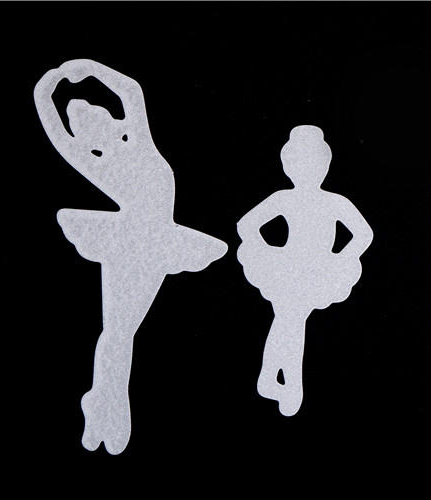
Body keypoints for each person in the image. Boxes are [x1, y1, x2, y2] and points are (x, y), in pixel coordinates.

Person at [34, 59, 227, 454]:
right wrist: (49, 85)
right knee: (120, 331)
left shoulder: (138, 140)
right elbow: (54, 127)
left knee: (123, 331)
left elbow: (131, 92)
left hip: (157, 241)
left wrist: (88, 70)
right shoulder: (97, 162)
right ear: (85, 139)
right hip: (128, 243)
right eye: (84, 126)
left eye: (95, 114)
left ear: (110, 117)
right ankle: (107, 408)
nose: (94, 122)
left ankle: (102, 404)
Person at [237, 125, 373, 416]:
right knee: (292, 320)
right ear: (288, 167)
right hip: (289, 268)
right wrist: (265, 251)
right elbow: (246, 225)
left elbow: (364, 234)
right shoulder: (284, 198)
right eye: (300, 163)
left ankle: (271, 380)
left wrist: (341, 258)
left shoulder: (335, 202)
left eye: (314, 163)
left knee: (288, 319)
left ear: (325, 166)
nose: (308, 170)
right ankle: (285, 385)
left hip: (314, 270)